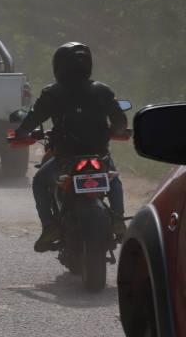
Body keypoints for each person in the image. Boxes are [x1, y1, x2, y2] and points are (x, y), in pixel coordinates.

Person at [13, 42, 128, 252]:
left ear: (58, 65)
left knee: (39, 182)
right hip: (98, 156)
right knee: (114, 180)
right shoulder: (103, 90)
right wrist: (118, 131)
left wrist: (20, 135)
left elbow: (33, 119)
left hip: (65, 158)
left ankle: (50, 228)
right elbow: (120, 123)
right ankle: (119, 220)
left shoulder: (52, 93)